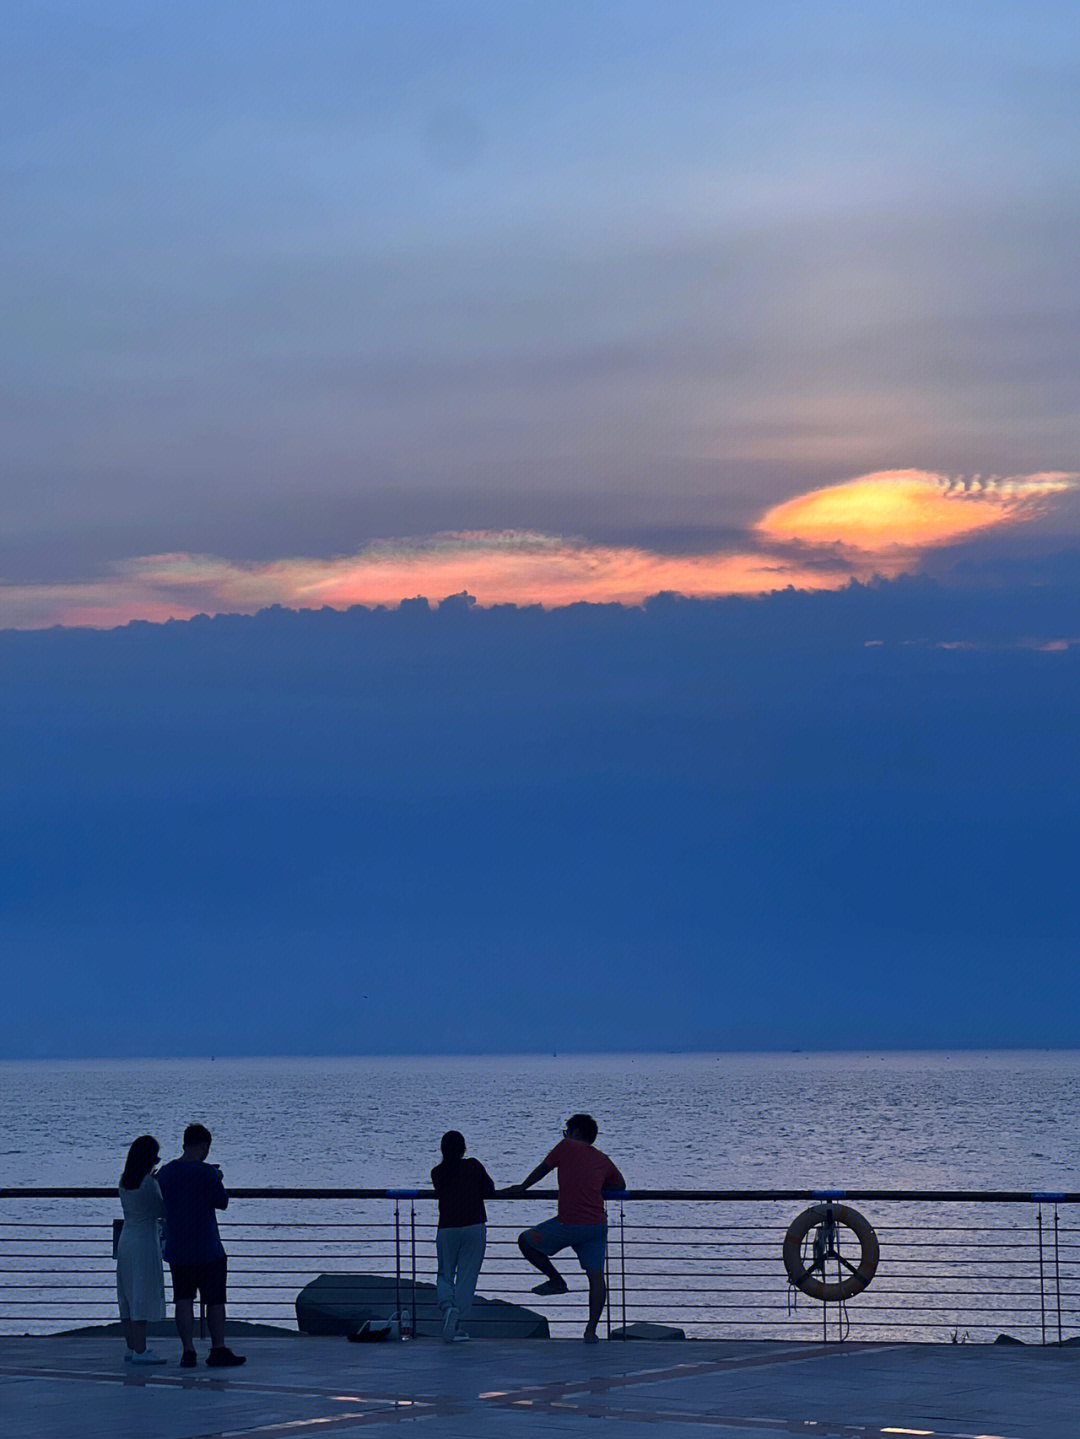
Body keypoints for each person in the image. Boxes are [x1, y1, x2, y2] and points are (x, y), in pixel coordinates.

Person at [514, 1113, 625, 1343]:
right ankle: (590, 1331)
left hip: (568, 1222)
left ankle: (556, 1280)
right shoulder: (602, 1159)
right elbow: (620, 1184)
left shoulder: (566, 1146)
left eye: (567, 1131)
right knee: (596, 1278)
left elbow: (543, 1169)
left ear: (575, 1132)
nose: (565, 1135)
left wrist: (523, 1186)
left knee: (526, 1240)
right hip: (596, 1225)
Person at [157, 1124, 245, 1368]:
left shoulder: (166, 1173)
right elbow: (222, 1202)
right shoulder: (207, 1173)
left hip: (178, 1246)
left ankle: (188, 1350)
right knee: (215, 1300)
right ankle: (218, 1348)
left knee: (183, 1299)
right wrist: (218, 1178)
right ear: (204, 1146)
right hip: (207, 1246)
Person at [431, 1130, 495, 1342]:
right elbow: (489, 1189)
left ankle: (447, 1306)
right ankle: (456, 1322)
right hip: (474, 1224)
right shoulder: (473, 1166)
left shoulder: (437, 1173)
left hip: (447, 1227)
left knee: (445, 1273)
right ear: (463, 1148)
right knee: (467, 1276)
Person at [116, 1134, 167, 1365]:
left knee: (127, 1293)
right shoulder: (149, 1183)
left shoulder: (124, 1181)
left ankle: (131, 1345)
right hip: (145, 1241)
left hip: (126, 1239)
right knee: (141, 1294)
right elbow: (160, 1210)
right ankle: (141, 1349)